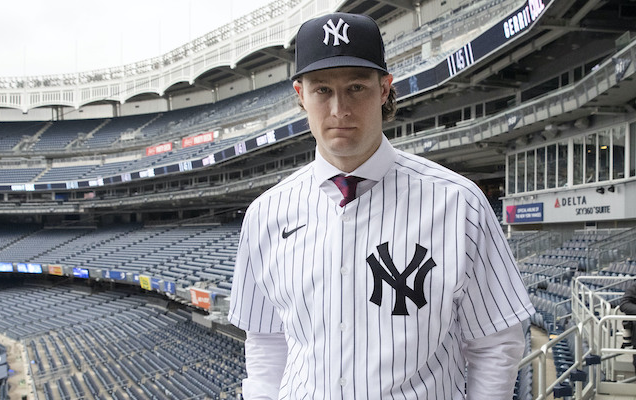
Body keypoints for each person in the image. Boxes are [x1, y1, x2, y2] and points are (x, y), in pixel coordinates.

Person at [227, 12, 535, 399]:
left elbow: (495, 345)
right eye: (323, 90)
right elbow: (267, 344)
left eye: (356, 87)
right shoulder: (265, 214)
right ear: (300, 95)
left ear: (384, 89)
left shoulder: (459, 203)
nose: (339, 109)